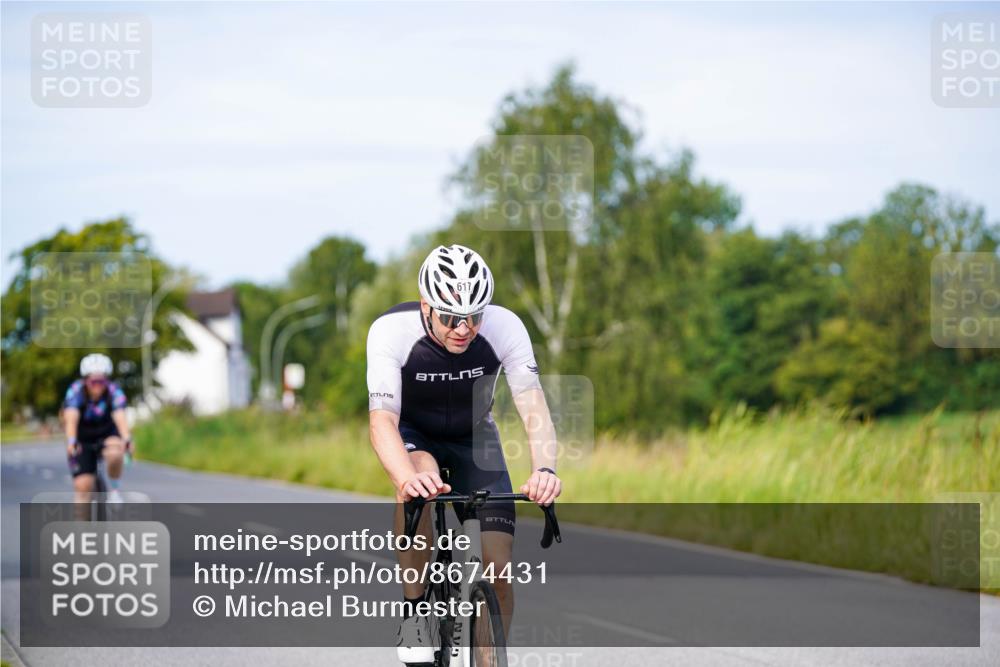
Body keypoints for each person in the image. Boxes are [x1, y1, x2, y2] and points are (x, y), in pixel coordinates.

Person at [366, 244, 562, 664]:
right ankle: (417, 609)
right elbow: (382, 420)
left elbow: (533, 407)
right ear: (425, 305)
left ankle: (488, 659)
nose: (464, 327)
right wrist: (405, 479)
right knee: (420, 478)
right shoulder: (391, 331)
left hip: (476, 438)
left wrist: (545, 468)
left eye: (475, 315)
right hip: (414, 434)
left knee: (499, 568)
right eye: (451, 316)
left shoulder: (505, 326)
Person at [63, 353, 133, 518]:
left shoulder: (114, 391)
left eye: (101, 381)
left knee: (116, 452)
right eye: (93, 381)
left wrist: (127, 438)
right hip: (83, 438)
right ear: (86, 380)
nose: (97, 385)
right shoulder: (76, 391)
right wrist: (71, 440)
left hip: (107, 434)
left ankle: (114, 490)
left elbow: (120, 416)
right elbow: (71, 417)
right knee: (82, 486)